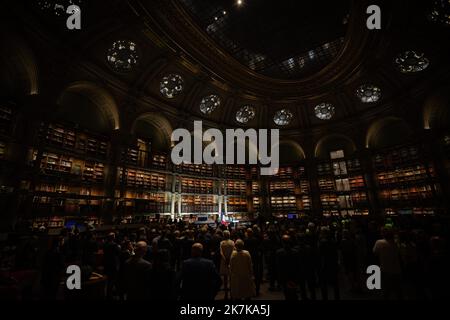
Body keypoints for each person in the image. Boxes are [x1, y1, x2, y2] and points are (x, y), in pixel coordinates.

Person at [373, 226, 402, 300]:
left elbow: (375, 252)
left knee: (386, 290)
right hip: (397, 269)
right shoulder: (396, 242)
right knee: (398, 291)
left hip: (385, 268)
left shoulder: (379, 242)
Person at [276, 234, 300, 300]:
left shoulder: (279, 253)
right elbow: (298, 266)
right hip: (294, 276)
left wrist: (279, 279)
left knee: (287, 295)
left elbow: (279, 267)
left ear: (282, 242)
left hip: (285, 277)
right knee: (294, 294)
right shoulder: (296, 252)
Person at [103, 232, 121, 299]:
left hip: (107, 263)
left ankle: (108, 293)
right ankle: (110, 294)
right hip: (113, 263)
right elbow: (119, 252)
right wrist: (119, 247)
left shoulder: (105, 244)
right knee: (113, 279)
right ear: (113, 237)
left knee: (109, 279)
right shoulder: (114, 244)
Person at [219, 230, 235, 299]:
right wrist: (229, 258)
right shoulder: (232, 242)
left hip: (224, 261)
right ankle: (231, 293)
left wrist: (225, 259)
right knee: (231, 278)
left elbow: (221, 252)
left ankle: (226, 294)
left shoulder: (222, 243)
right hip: (231, 260)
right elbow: (233, 251)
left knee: (225, 278)